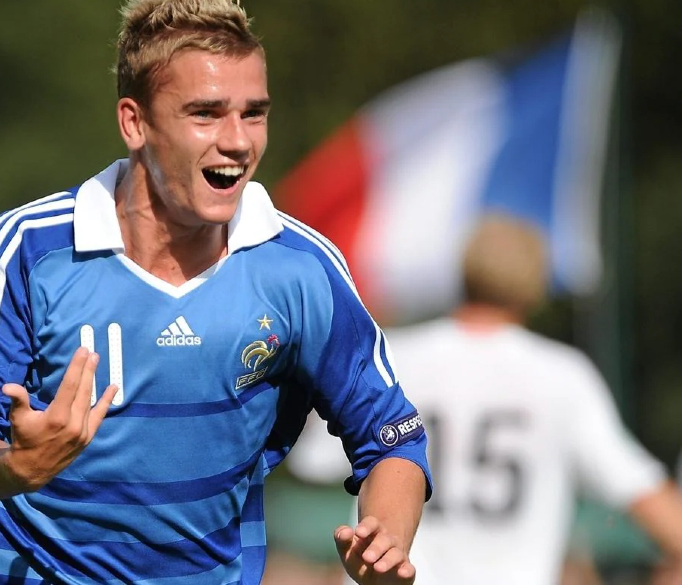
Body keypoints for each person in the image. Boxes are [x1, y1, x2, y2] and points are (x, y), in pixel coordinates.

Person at [0, 0, 431, 585]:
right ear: (135, 123)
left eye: (254, 113)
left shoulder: (298, 269)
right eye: (205, 113)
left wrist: (386, 542)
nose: (238, 141)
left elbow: (392, 439)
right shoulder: (29, 248)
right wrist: (13, 466)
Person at [288, 213, 682, 584]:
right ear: (536, 286)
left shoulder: (392, 354)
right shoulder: (563, 375)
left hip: (396, 579)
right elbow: (637, 487)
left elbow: (313, 460)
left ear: (464, 273)